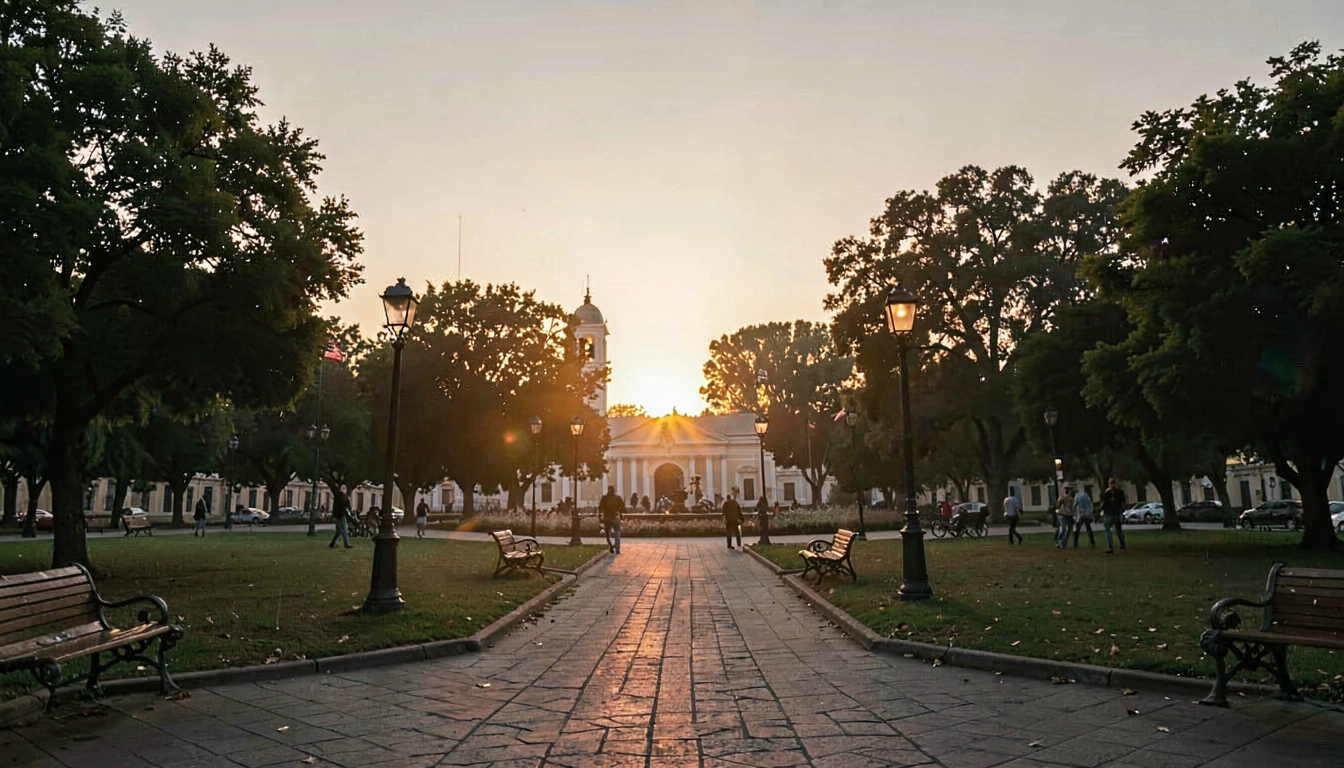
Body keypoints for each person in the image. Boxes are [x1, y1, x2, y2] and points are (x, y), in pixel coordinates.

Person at [1101, 478, 1128, 554]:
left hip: (1112, 514)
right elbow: (1123, 503)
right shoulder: (1118, 492)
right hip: (1114, 513)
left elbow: (1104, 504)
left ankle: (1111, 547)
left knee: (1110, 530)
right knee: (1117, 530)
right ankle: (1121, 545)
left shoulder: (1108, 493)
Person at [599, 485, 625, 554]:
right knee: (617, 533)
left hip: (607, 518)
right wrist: (620, 513)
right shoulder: (617, 498)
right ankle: (617, 547)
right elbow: (623, 507)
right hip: (615, 516)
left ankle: (610, 546)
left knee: (607, 534)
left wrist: (600, 517)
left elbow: (600, 508)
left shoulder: (604, 498)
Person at [329, 484, 353, 549]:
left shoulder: (337, 495)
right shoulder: (343, 496)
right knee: (344, 529)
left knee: (339, 531)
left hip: (337, 515)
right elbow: (346, 505)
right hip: (341, 515)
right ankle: (346, 544)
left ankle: (332, 543)